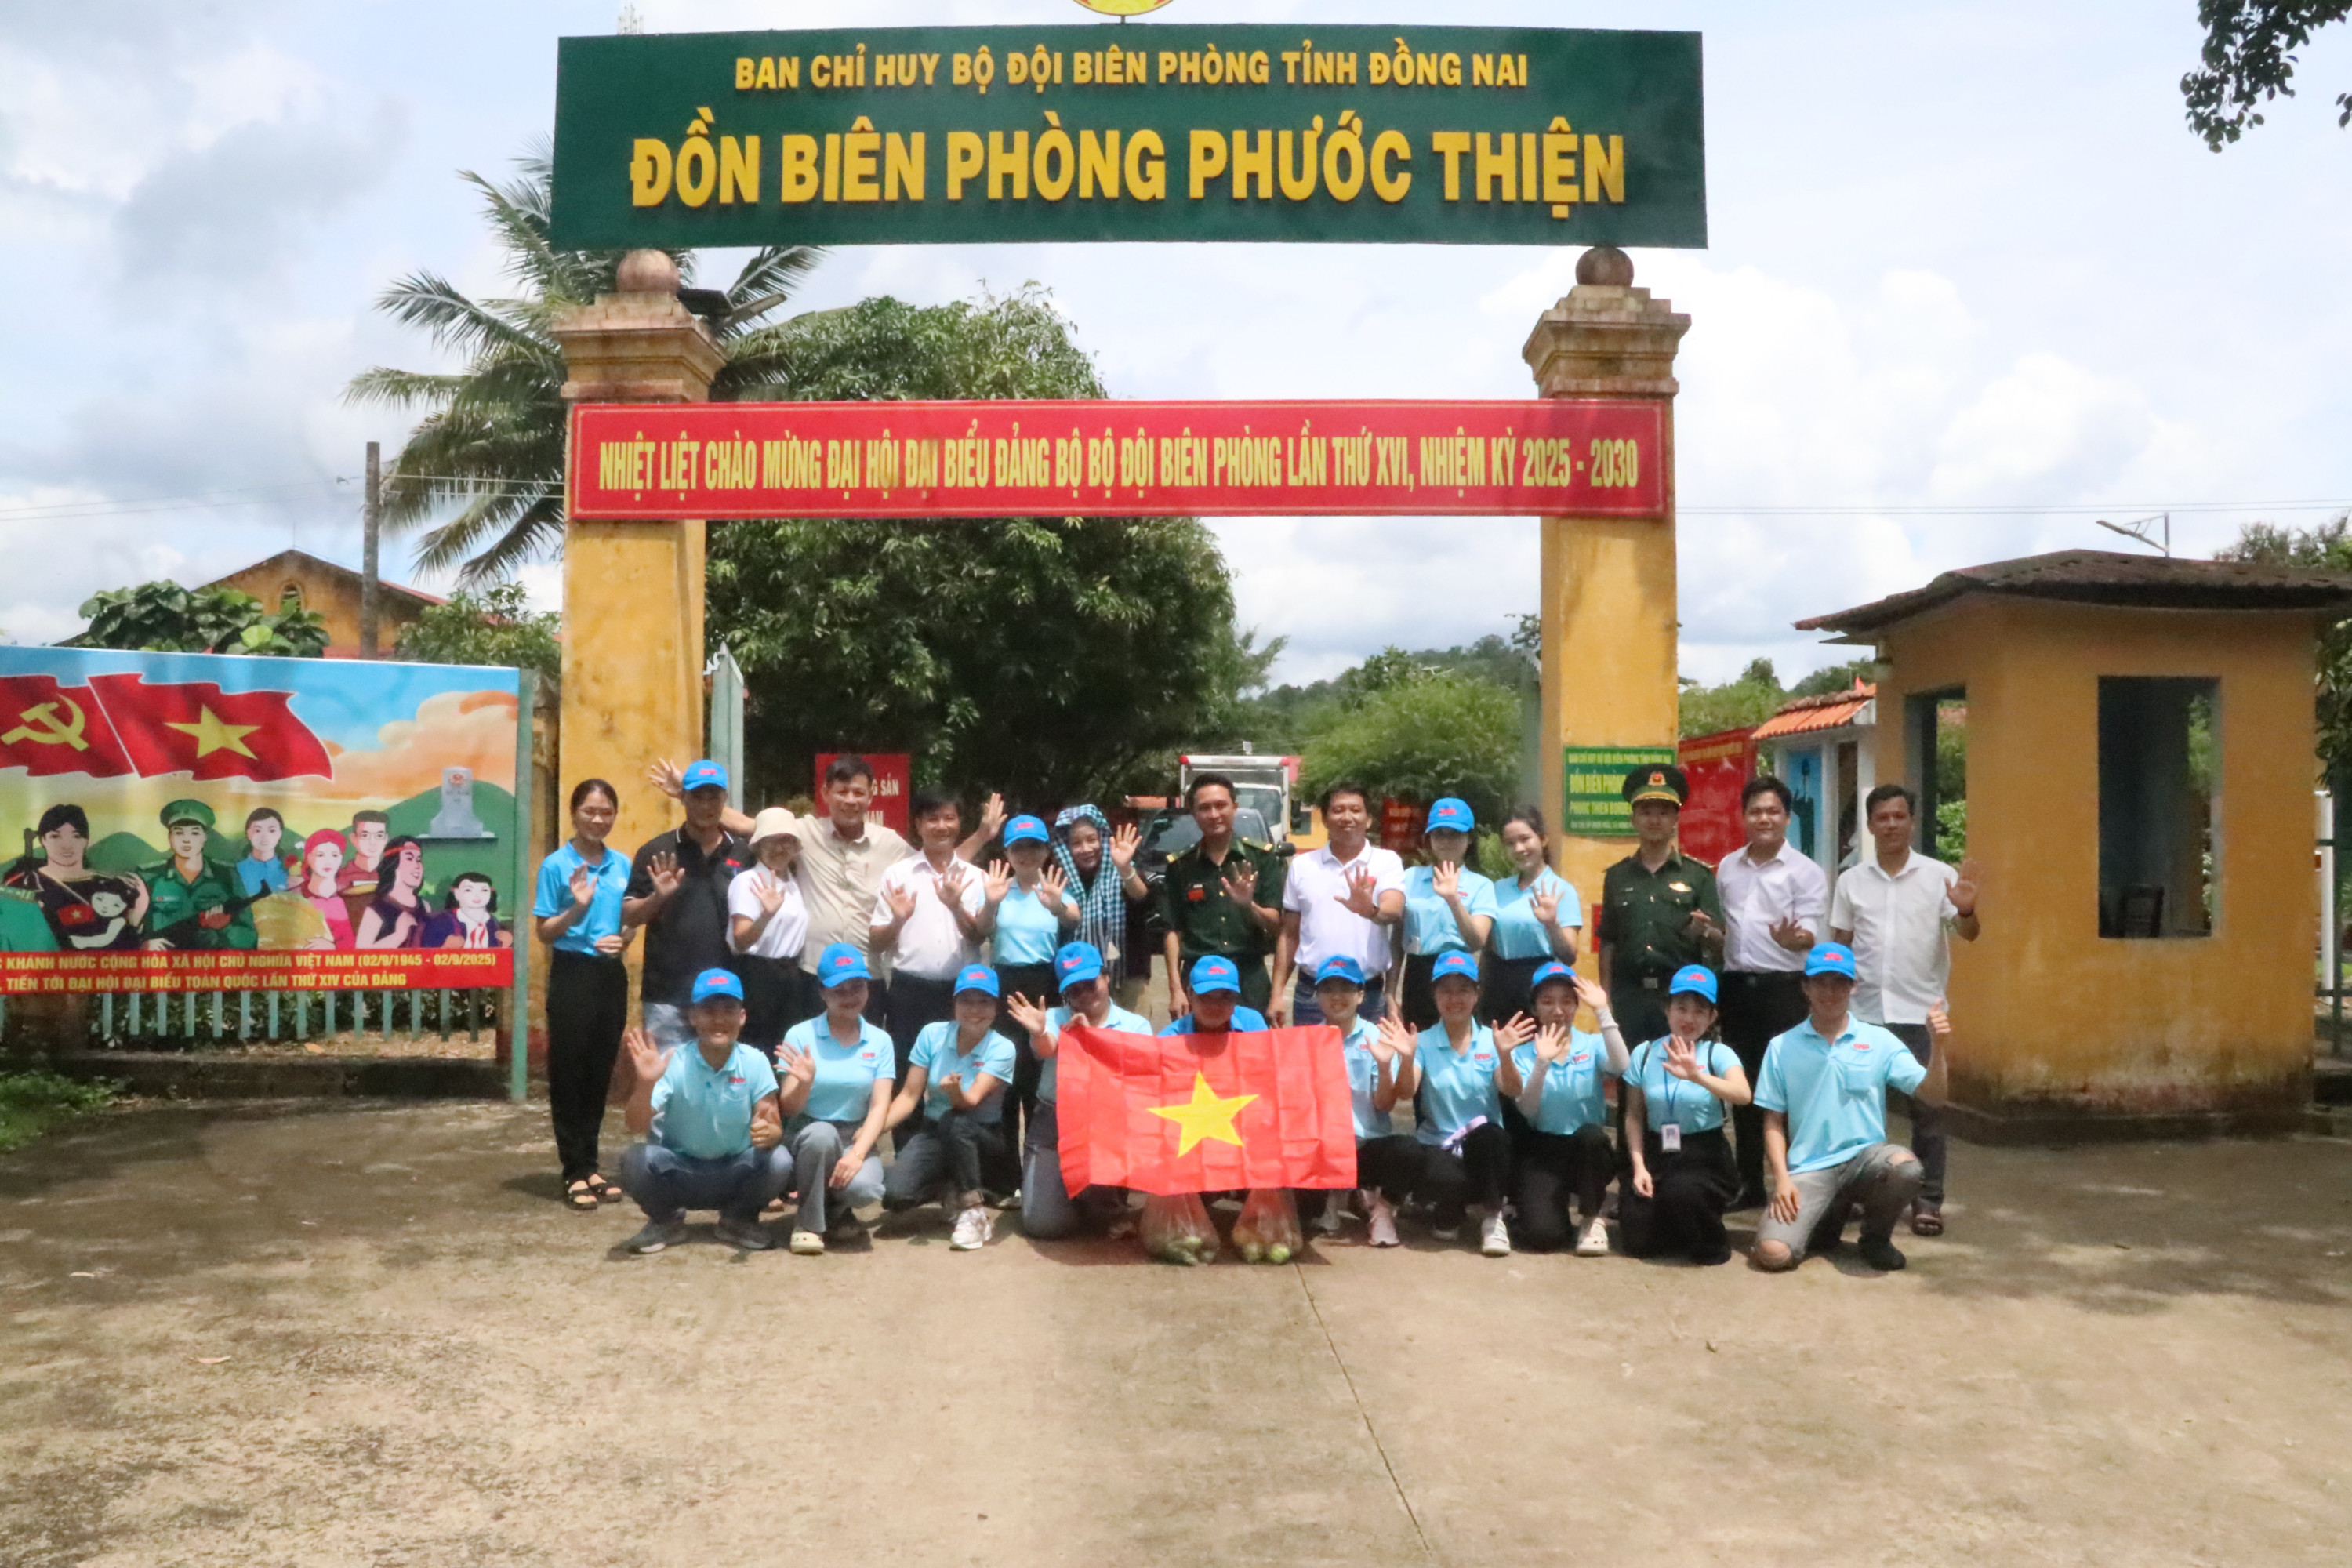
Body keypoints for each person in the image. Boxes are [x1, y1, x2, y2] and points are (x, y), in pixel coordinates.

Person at [647, 755, 1001, 1026]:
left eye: (859, 792)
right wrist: (691, 797)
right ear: (826, 794)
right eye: (842, 792)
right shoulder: (804, 833)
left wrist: (982, 836)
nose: (850, 800)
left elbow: (936, 862)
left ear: (871, 796)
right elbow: (752, 826)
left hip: (867, 975)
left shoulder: (890, 844)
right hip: (813, 973)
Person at [1831, 782, 1981, 1237]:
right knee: (1858, 1111)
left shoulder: (1939, 876)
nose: (1891, 825)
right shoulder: (1851, 881)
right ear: (1870, 825)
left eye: (1900, 816)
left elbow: (1969, 933)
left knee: (1928, 1111)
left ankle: (1927, 1201)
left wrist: (1968, 911)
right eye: (1882, 818)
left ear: (1912, 822)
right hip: (1865, 1014)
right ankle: (1859, 1192)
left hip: (1921, 1014)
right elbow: (1840, 944)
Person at [1751, 942, 1933, 1273]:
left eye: (1839, 983)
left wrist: (1942, 1047)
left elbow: (1932, 1094)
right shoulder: (1781, 1047)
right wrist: (1781, 1180)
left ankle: (1875, 1239)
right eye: (1820, 982)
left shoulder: (1879, 1041)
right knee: (1773, 1254)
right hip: (1810, 1168)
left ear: (1854, 987)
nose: (1830, 992)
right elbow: (1773, 1122)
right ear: (1805, 987)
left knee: (1905, 1168)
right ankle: (1830, 1216)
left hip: (1866, 1161)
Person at [613, 967, 793, 1254]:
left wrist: (767, 1133)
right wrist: (646, 1083)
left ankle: (738, 1219)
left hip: (736, 1169)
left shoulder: (755, 1061)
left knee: (780, 1160)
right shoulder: (673, 1061)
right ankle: (666, 1222)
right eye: (709, 1011)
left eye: (728, 1010)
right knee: (635, 1159)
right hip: (680, 1169)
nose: (719, 1020)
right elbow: (635, 1124)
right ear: (693, 1017)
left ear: (742, 1017)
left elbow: (774, 1128)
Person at [1714, 775, 1827, 1210]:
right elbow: (1727, 931)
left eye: (1773, 811)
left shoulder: (1805, 872)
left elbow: (1809, 934)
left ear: (1787, 817)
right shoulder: (1727, 867)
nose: (1764, 819)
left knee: (1790, 1089)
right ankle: (1749, 1182)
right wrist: (1709, 933)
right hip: (1736, 989)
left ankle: (1802, 1183)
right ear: (1743, 817)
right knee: (1742, 1087)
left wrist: (1792, 940)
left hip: (1785, 990)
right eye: (1756, 811)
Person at [1003, 940, 1152, 1240]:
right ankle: (1078, 1198)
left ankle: (1100, 1197)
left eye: (1090, 984)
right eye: (1074, 990)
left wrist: (1092, 1038)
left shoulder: (1136, 1026)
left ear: (1106, 978)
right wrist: (1039, 1032)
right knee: (1044, 1226)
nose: (1084, 995)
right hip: (1052, 1121)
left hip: (1107, 1125)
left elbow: (1139, 1082)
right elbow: (1046, 1048)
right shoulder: (1053, 1018)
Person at [533, 779, 634, 1213]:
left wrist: (624, 938)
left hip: (610, 974)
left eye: (606, 812)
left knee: (599, 1071)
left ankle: (591, 1165)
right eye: (589, 811)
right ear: (574, 813)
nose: (598, 819)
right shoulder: (556, 866)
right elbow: (544, 932)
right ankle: (572, 1169)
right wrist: (577, 907)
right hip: (572, 972)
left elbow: (629, 921)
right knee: (569, 1071)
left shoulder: (622, 864)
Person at [1620, 965, 1752, 1265]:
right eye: (1681, 1008)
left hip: (1704, 1154)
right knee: (1637, 1240)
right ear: (1667, 1010)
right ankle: (1680, 1225)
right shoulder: (1644, 1053)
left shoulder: (1717, 1054)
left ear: (1712, 1017)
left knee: (1681, 1192)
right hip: (1657, 1151)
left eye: (1699, 1011)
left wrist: (1697, 1076)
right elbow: (1633, 1116)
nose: (1689, 1018)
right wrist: (1639, 1167)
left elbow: (1743, 1095)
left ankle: (1711, 1240)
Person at [880, 964, 1017, 1250]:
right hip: (934, 1131)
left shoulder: (1003, 1048)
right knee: (895, 1196)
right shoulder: (932, 1034)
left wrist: (955, 1092)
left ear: (996, 1007)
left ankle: (973, 1211)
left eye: (984, 1002)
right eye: (966, 1001)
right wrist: (871, 1132)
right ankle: (951, 1188)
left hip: (981, 1136)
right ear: (954, 1004)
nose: (975, 1010)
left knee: (956, 1122)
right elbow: (909, 1096)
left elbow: (970, 1103)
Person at [1292, 955, 1424, 1247]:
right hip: (1322, 1151)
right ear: (1317, 995)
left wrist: (1386, 1066)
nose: (1337, 996)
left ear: (1361, 995)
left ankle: (1382, 1209)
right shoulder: (1305, 1041)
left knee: (1410, 1152)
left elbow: (1384, 1105)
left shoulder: (1378, 1036)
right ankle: (1334, 1196)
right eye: (1328, 989)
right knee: (1302, 1211)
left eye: (1346, 988)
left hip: (1365, 1146)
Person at [775, 942, 897, 1254]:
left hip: (852, 1135)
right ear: (822, 993)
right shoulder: (800, 1035)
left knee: (866, 1188)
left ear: (868, 988)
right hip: (806, 1134)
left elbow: (880, 1106)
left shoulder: (880, 1041)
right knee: (821, 1135)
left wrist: (857, 1153)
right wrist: (804, 1083)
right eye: (838, 990)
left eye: (856, 987)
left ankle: (835, 1210)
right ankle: (808, 1225)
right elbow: (788, 1108)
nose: (849, 996)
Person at [1410, 950, 1531, 1256]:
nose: (1455, 999)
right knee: (1441, 1176)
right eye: (1446, 991)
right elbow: (1405, 1091)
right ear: (1434, 995)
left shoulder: (1492, 1040)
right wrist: (1403, 1059)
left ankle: (1493, 1218)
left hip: (1483, 1149)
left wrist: (1505, 1055)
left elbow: (1512, 1089)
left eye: (1463, 990)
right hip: (1439, 1145)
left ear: (1477, 994)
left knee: (1491, 1136)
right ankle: (1449, 1209)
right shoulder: (1422, 1041)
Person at [624, 760, 749, 1051]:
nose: (705, 805)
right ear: (683, 798)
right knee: (666, 1078)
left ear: (724, 799)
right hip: (668, 997)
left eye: (713, 797)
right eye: (697, 796)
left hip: (726, 994)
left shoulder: (745, 853)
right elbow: (628, 915)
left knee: (722, 1078)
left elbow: (777, 832)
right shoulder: (656, 851)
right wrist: (657, 897)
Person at [1597, 764, 1723, 1049]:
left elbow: (1720, 943)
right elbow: (1608, 942)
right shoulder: (1617, 876)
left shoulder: (1699, 875)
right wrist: (1606, 998)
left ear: (1676, 819)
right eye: (1646, 812)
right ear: (1633, 819)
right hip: (1630, 997)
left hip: (1681, 998)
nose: (1654, 820)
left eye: (1664, 813)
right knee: (1629, 1069)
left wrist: (1704, 932)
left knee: (1680, 1067)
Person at [1508, 963, 1628, 1256]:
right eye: (1547, 1001)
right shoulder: (1522, 1052)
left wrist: (1603, 1012)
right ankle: (1546, 1214)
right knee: (1543, 1237)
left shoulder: (1592, 1044)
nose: (1558, 1010)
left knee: (1591, 1137)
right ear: (1535, 1007)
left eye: (1566, 1001)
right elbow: (1527, 1109)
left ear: (1576, 1005)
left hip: (1586, 1150)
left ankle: (1591, 1218)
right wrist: (1542, 1063)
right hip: (1543, 1150)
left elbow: (1621, 1065)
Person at [869, 789, 989, 1077]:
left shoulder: (976, 877)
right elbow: (876, 943)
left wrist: (956, 907)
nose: (942, 826)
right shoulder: (898, 875)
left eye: (949, 818)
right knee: (904, 1071)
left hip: (959, 992)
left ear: (960, 823)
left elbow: (978, 937)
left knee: (953, 1075)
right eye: (933, 819)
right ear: (918, 824)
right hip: (907, 991)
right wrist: (898, 921)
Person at [1272, 781, 1406, 1025]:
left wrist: (1370, 911)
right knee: (1312, 1053)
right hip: (1312, 993)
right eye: (1338, 810)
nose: (1347, 817)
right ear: (1325, 819)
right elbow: (1289, 934)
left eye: (1356, 810)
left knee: (1369, 1052)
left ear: (1368, 820)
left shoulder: (1387, 861)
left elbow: (1393, 909)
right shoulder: (1302, 866)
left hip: (1366, 995)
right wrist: (1277, 993)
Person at [981, 814, 1079, 1138]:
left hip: (1044, 984)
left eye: (1034, 846)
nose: (1026, 854)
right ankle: (1007, 1164)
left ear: (1046, 851)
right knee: (1007, 1072)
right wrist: (990, 904)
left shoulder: (1054, 888)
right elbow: (980, 930)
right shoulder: (997, 889)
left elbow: (1072, 918)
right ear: (1007, 853)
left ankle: (1041, 1155)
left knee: (1040, 1071)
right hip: (1006, 984)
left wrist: (1057, 907)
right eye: (1018, 847)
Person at [1156, 773, 1284, 1018]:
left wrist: (1249, 906)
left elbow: (1277, 926)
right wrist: (1175, 989)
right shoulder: (1180, 866)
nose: (1214, 814)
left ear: (1234, 807)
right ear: (1194, 814)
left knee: (1252, 1042)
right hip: (1199, 977)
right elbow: (1173, 931)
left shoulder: (1262, 859)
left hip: (1248, 978)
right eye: (1205, 808)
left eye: (1221, 805)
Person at [1394, 797, 1498, 1029]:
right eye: (1439, 834)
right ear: (1429, 838)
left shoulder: (1481, 885)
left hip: (1458, 972)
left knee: (1458, 1042)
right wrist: (1391, 992)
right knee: (1417, 1041)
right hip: (1418, 972)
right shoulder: (1410, 878)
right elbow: (1397, 939)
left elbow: (1476, 941)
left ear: (1469, 839)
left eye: (1455, 834)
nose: (1446, 841)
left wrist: (1454, 901)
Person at [1483, 807, 1584, 1025]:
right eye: (1510, 843)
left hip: (1541, 986)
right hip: (1498, 985)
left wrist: (1552, 924)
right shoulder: (1497, 889)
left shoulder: (1561, 890)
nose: (1519, 849)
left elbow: (1569, 956)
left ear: (1543, 839)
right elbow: (1487, 946)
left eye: (1525, 839)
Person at [4, 803, 147, 950]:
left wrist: (136, 917)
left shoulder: (109, 885)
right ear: (43, 840)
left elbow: (126, 946)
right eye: (55, 836)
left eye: (76, 836)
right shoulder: (23, 883)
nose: (66, 845)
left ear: (86, 840)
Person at [728, 807, 811, 1055]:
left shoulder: (794, 883)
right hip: (757, 978)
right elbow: (741, 940)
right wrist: (765, 916)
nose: (780, 848)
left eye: (787, 841)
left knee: (788, 1052)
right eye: (771, 841)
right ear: (758, 845)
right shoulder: (747, 881)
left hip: (791, 977)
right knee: (757, 1050)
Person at [1050, 804, 1148, 1000]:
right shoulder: (1058, 882)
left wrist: (1125, 869)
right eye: (1076, 843)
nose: (1086, 849)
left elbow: (1141, 896)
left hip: (1127, 978)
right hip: (1078, 980)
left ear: (1102, 839)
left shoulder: (1121, 868)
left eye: (1092, 840)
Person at [140, 799, 257, 951]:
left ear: (205, 837)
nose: (186, 839)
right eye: (179, 832)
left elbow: (249, 939)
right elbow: (125, 930)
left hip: (211, 964)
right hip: (163, 963)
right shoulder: (149, 878)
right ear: (170, 837)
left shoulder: (227, 876)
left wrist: (225, 928)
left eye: (195, 833)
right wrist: (143, 945)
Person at [1157, 955, 1269, 1036]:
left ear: (1236, 997)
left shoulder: (1252, 1025)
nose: (1215, 1006)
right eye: (1205, 996)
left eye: (1226, 997)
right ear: (1190, 994)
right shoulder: (1171, 1038)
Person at [354, 837, 427, 950]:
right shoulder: (376, 910)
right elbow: (360, 954)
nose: (417, 866)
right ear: (394, 865)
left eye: (418, 860)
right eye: (409, 859)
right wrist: (398, 936)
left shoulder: (425, 906)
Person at [420, 871, 510, 949]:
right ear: (456, 893)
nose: (477, 895)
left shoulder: (493, 923)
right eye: (468, 890)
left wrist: (505, 945)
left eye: (484, 890)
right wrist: (444, 948)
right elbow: (424, 957)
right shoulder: (442, 922)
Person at [334, 809, 391, 931]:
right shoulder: (338, 878)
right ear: (353, 838)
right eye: (365, 835)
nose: (373, 842)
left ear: (386, 839)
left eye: (379, 836)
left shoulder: (393, 877)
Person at [299, 829, 355, 949]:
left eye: (334, 855)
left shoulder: (350, 897)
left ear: (341, 859)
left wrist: (333, 948)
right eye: (320, 855)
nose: (328, 861)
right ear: (309, 857)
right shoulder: (295, 896)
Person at [234, 808, 291, 898]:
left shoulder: (290, 870)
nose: (265, 837)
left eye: (272, 831)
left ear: (280, 834)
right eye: (258, 831)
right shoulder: (236, 870)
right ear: (248, 833)